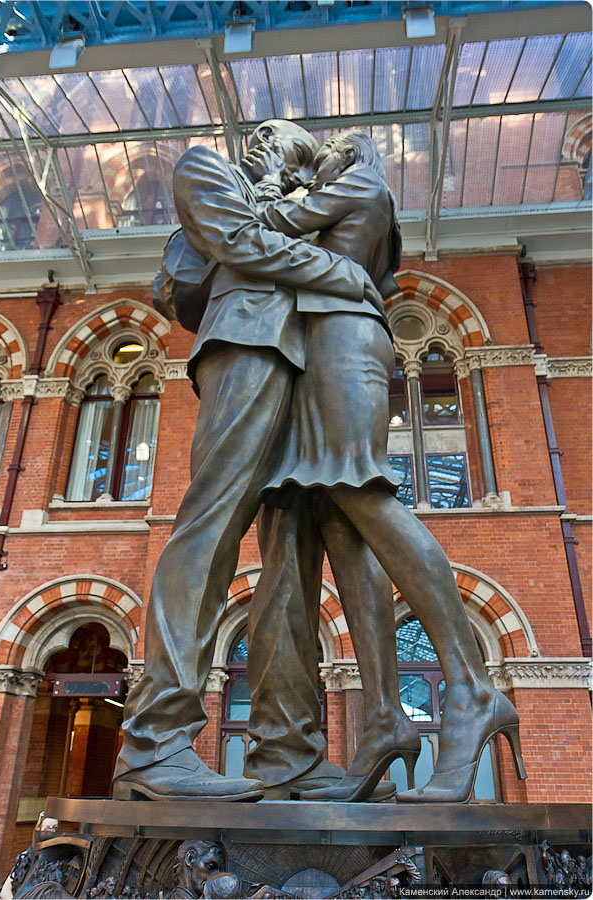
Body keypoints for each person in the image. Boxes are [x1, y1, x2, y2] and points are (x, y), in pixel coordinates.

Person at [112, 120, 398, 802]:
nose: (272, 146)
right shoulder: (206, 168)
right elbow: (236, 244)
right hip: (245, 345)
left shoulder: (304, 203)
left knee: (294, 561)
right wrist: (343, 274)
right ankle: (155, 743)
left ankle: (288, 753)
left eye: (294, 148)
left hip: (307, 370)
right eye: (269, 135)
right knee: (209, 525)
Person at [246, 132, 526, 803]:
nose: (325, 157)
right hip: (321, 344)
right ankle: (381, 717)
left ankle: (471, 688)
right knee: (342, 520)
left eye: (336, 148)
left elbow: (267, 227)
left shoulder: (361, 186)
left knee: (362, 492)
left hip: (343, 339)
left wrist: (275, 177)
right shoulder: (344, 199)